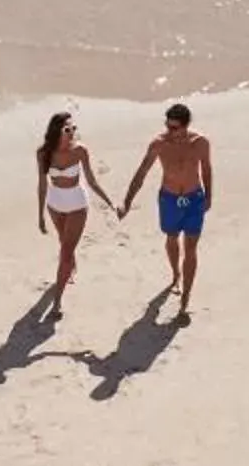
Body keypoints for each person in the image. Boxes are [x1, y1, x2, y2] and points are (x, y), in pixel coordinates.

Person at [120, 102, 212, 321]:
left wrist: (209, 196)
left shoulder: (200, 143)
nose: (170, 132)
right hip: (169, 199)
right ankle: (175, 275)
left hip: (193, 199)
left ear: (186, 125)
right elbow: (141, 172)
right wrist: (127, 202)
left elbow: (207, 169)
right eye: (167, 126)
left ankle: (185, 299)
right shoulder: (159, 144)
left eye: (175, 128)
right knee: (172, 238)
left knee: (191, 247)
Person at [35, 108, 113, 315]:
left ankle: (57, 299)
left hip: (77, 203)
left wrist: (108, 200)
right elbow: (42, 185)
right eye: (68, 129)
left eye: (74, 128)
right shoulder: (43, 153)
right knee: (64, 242)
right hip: (55, 203)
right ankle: (70, 266)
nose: (72, 132)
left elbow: (91, 180)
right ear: (57, 130)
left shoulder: (80, 151)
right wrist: (40, 214)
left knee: (66, 251)